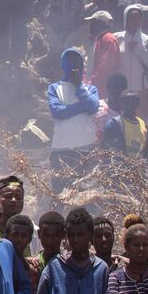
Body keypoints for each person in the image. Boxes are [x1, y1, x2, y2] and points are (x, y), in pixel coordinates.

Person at [47, 49, 101, 194]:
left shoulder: (90, 89)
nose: (74, 66)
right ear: (62, 65)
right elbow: (57, 111)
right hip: (62, 149)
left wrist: (79, 86)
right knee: (61, 193)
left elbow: (92, 107)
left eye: (77, 62)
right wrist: (81, 107)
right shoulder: (54, 88)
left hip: (86, 150)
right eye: (69, 62)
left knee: (86, 193)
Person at [113, 4, 148, 121]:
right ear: (125, 19)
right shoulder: (116, 38)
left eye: (137, 18)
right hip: (120, 89)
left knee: (139, 120)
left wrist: (139, 49)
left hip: (140, 89)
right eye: (131, 18)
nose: (135, 21)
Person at [102, 90, 148, 161]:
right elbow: (107, 151)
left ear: (138, 103)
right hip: (119, 170)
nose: (130, 104)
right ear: (121, 103)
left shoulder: (145, 127)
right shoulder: (114, 124)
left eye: (133, 101)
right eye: (126, 101)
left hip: (138, 170)